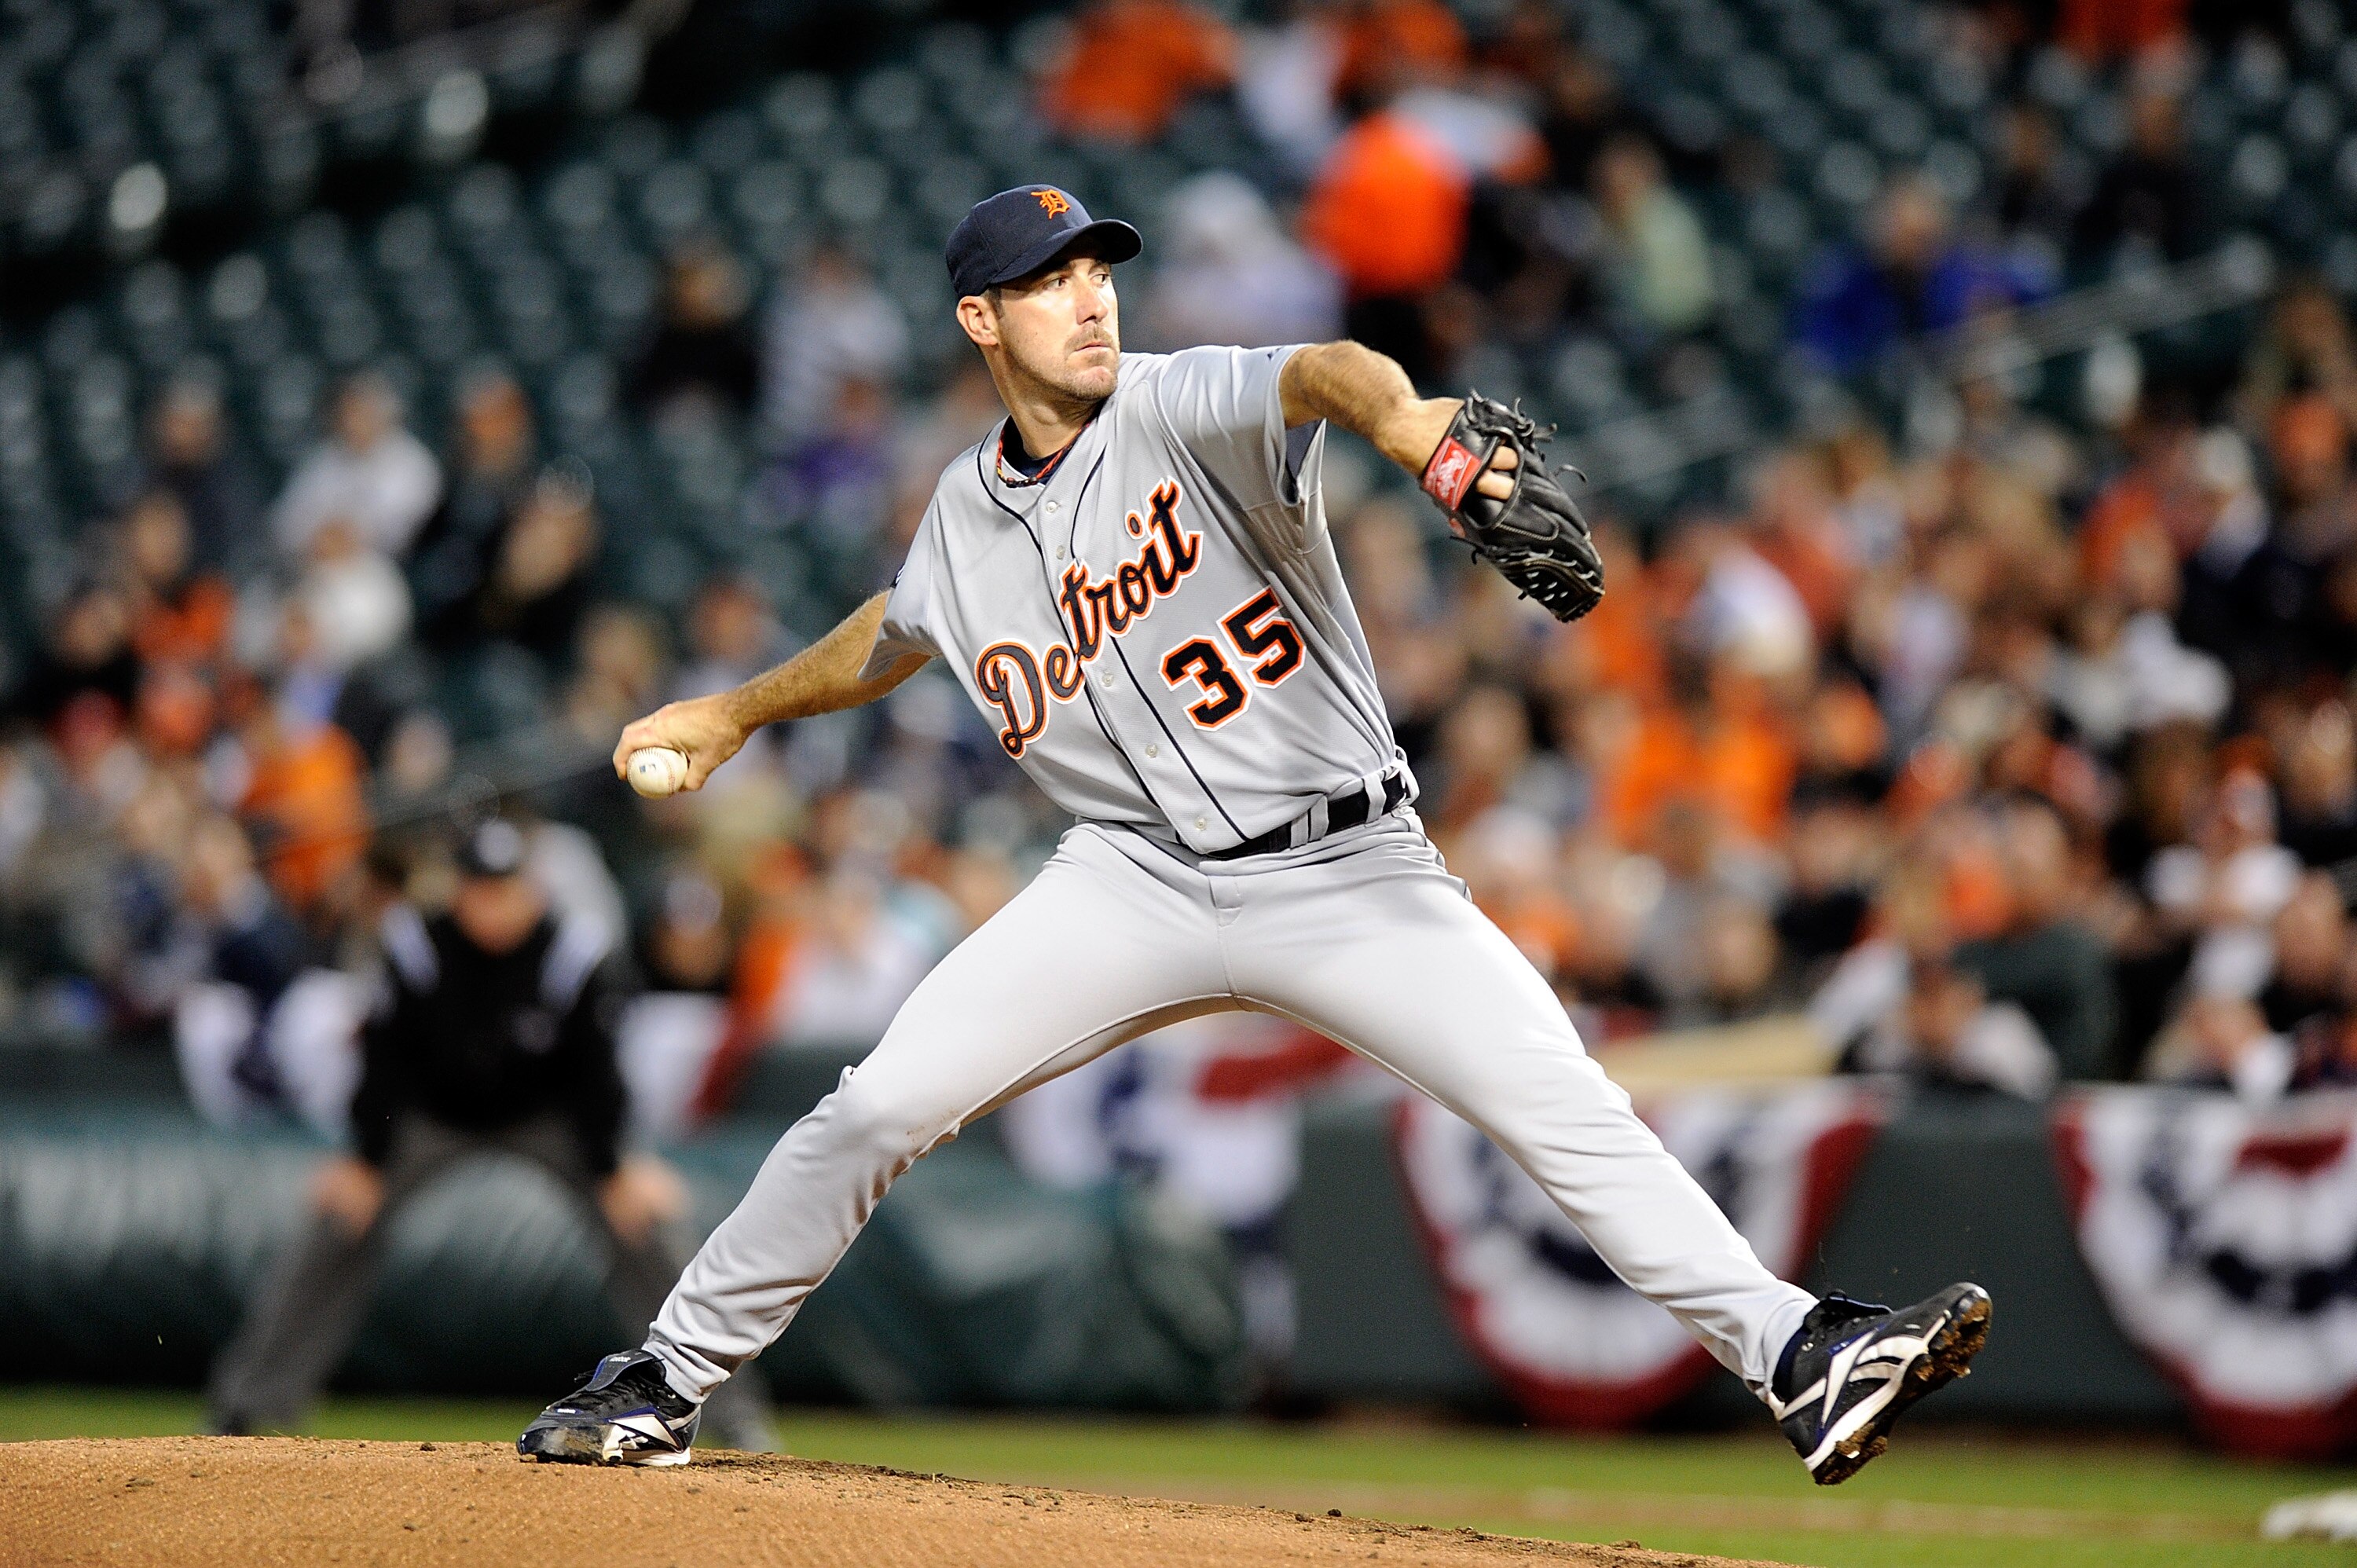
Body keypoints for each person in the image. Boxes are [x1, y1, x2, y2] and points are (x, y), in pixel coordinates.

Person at [524, 185, 1989, 1482]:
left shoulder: (1180, 398)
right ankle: (666, 1377)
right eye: (1049, 281)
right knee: (877, 1106)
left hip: (1349, 866)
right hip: (1130, 878)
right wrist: (732, 709)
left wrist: (1423, 438)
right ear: (980, 318)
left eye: (1098, 268)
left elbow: (1333, 373)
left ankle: (1801, 1354)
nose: (1089, 296)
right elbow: (899, 632)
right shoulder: (962, 519)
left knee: (1564, 1105)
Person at [208, 816, 772, 1447]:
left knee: (647, 1225)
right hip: (431, 1117)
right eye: (479, 888)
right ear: (458, 890)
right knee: (338, 1220)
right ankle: (246, 1407)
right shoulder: (416, 945)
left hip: (547, 1118)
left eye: (505, 888)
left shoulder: (571, 950)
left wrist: (615, 1165)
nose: (493, 904)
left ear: (530, 888)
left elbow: (596, 1070)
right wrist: (365, 1157)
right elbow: (385, 1059)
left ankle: (735, 1417)